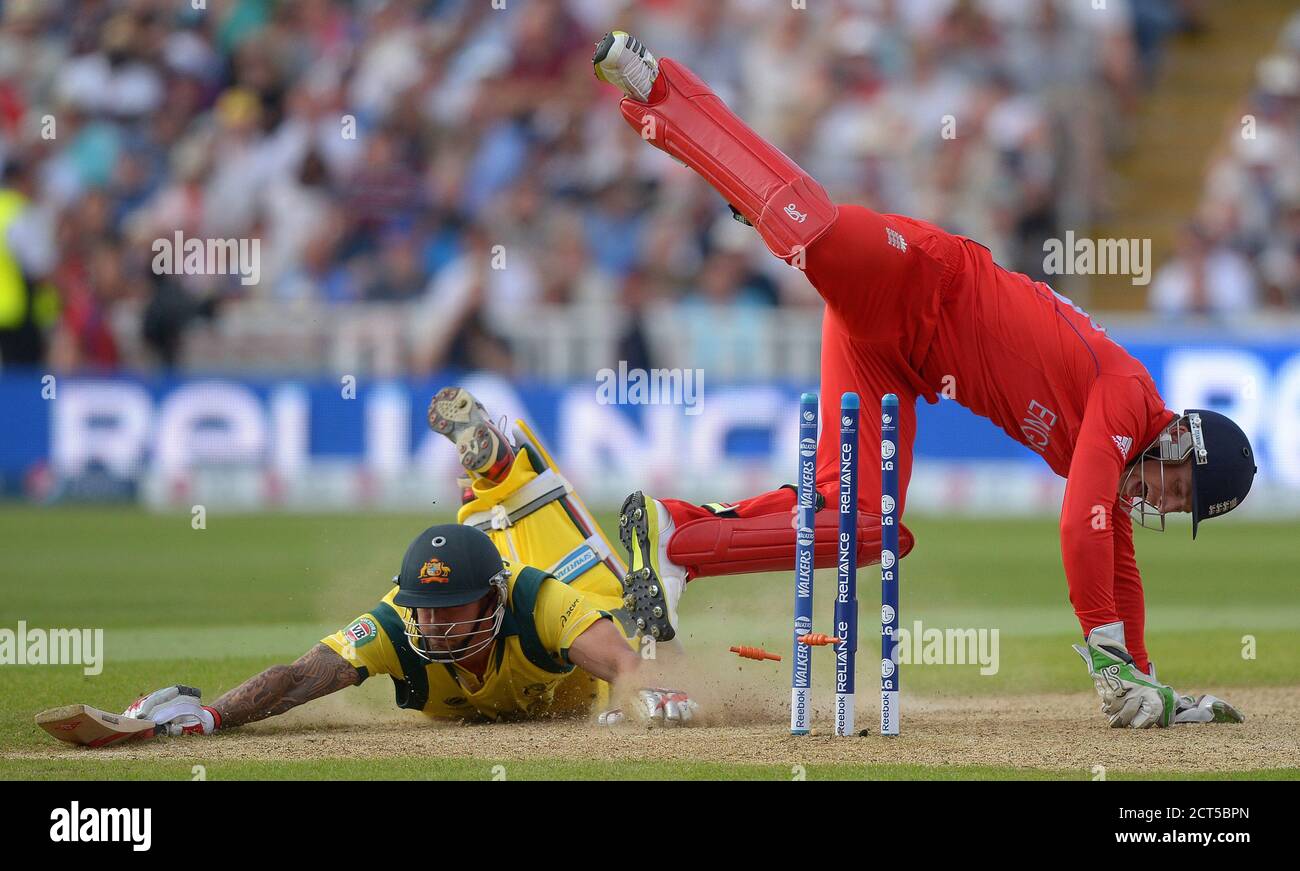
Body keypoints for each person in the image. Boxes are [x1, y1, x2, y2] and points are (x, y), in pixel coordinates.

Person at [592, 31, 1254, 729]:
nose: (1162, 499)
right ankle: (655, 84)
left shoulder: (1123, 453)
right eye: (1176, 486)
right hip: (920, 277)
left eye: (1176, 507)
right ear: (1180, 438)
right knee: (803, 223)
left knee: (865, 526)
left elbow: (1117, 560)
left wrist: (1145, 682)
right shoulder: (1127, 399)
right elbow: (1079, 524)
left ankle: (673, 537)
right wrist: (1105, 653)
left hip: (895, 361)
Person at [120, 388, 698, 738]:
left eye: (450, 609)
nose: (437, 623)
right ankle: (486, 474)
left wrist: (647, 689)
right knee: (475, 538)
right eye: (427, 609)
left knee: (614, 613)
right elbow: (297, 678)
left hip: (562, 594)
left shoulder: (535, 600)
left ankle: (497, 464)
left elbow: (624, 665)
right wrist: (212, 717)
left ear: (493, 601)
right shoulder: (401, 620)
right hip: (495, 581)